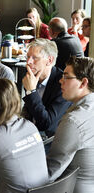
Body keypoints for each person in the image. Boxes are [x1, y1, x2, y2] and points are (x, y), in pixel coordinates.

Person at [47, 57, 94, 193]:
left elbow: (51, 172)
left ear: (83, 83)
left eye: (66, 77)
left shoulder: (73, 121)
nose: (60, 80)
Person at [21, 38, 71, 138]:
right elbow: (28, 112)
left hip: (51, 140)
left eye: (35, 58)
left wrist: (31, 92)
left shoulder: (63, 84)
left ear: (49, 60)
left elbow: (47, 124)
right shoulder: (32, 77)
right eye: (28, 57)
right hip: (31, 133)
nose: (28, 62)